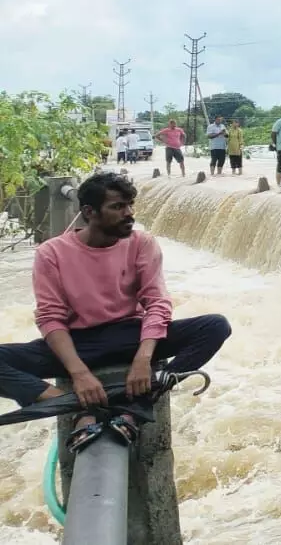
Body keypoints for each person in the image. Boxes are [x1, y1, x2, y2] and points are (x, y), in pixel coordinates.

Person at [0, 174, 230, 447]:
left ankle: (136, 407)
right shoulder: (52, 253)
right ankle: (72, 406)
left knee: (215, 326)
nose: (129, 213)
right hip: (78, 343)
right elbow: (51, 317)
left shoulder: (141, 243)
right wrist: (79, 374)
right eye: (118, 207)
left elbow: (156, 302)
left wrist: (143, 359)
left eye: (130, 205)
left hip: (129, 335)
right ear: (89, 212)